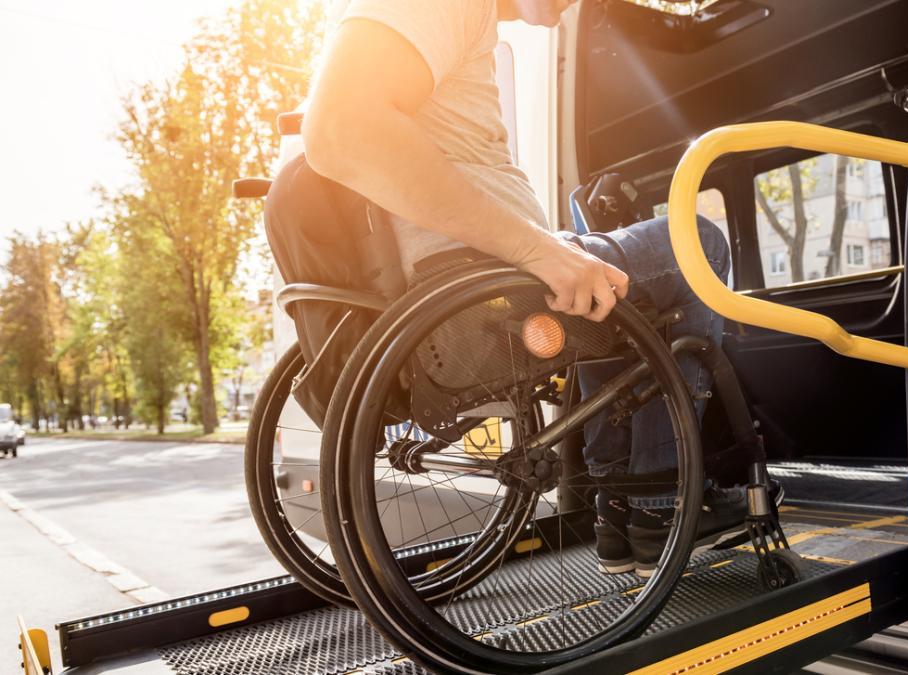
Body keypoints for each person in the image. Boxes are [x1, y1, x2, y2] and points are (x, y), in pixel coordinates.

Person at [300, 0, 743, 577]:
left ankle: (620, 512)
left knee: (604, 287)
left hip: (482, 271)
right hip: (488, 280)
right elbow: (341, 126)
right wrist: (540, 251)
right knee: (698, 243)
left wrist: (546, 248)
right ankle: (662, 503)